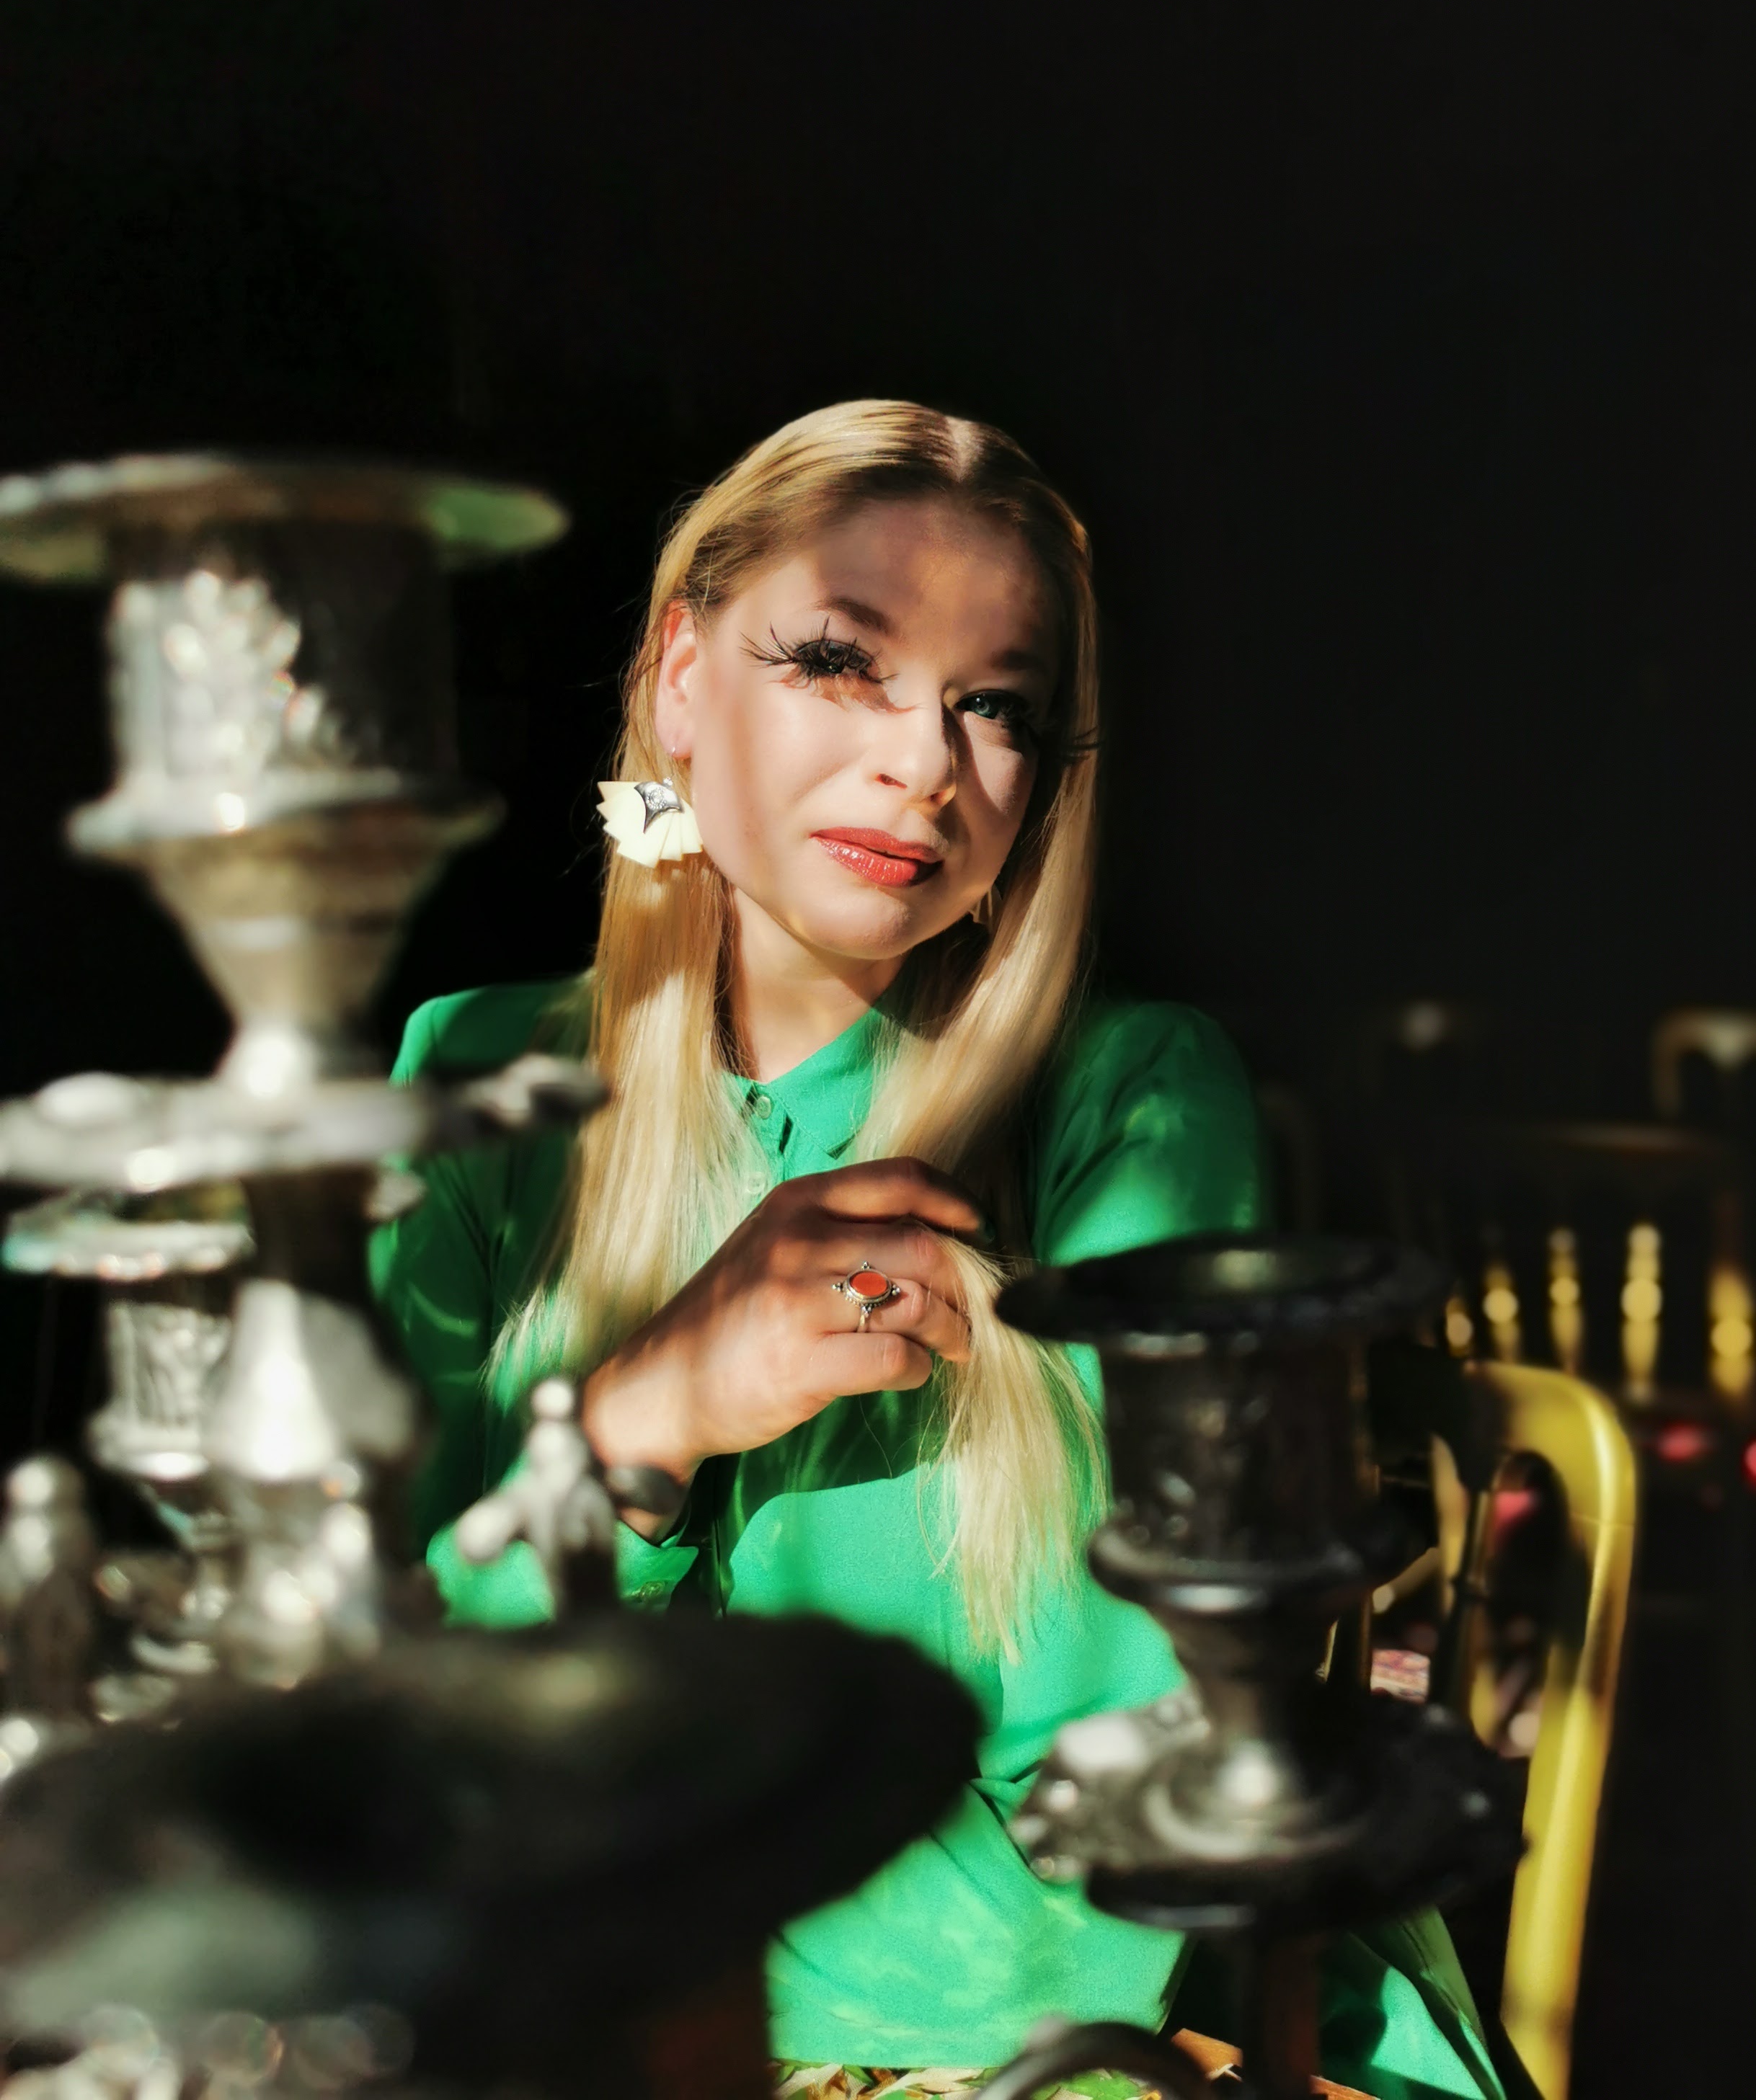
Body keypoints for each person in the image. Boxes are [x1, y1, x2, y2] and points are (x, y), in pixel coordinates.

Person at [373, 400, 1504, 2099]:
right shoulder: (475, 1085)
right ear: (680, 677)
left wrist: (565, 1900)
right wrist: (639, 1422)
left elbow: (1095, 1899)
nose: (925, 761)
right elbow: (378, 1734)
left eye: (999, 707)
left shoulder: (1130, 1106)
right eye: (843, 661)